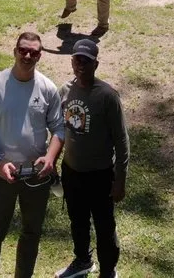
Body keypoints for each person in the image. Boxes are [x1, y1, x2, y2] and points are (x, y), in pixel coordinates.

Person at [0, 32, 65, 278]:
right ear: (14, 51)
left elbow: (58, 128)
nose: (27, 56)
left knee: (31, 234)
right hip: (0, 174)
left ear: (40, 55)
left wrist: (50, 158)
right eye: (23, 50)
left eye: (33, 52)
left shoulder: (47, 88)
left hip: (36, 175)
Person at [55, 39, 129, 278]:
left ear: (96, 64)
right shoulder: (65, 90)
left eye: (87, 61)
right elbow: (58, 130)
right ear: (72, 61)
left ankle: (108, 270)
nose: (81, 65)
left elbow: (121, 140)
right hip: (72, 171)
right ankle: (83, 260)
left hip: (100, 174)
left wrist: (120, 180)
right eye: (78, 60)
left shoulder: (107, 96)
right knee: (77, 221)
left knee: (104, 225)